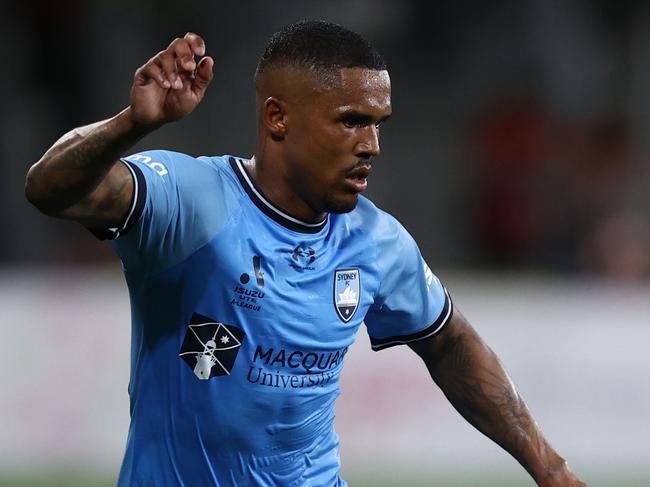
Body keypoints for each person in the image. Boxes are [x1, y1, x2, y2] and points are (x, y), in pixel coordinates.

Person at [25, 20, 587, 487]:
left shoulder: (377, 241)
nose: (371, 145)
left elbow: (451, 343)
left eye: (377, 124)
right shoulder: (192, 200)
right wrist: (132, 125)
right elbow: (49, 190)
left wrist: (551, 468)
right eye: (351, 121)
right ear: (278, 118)